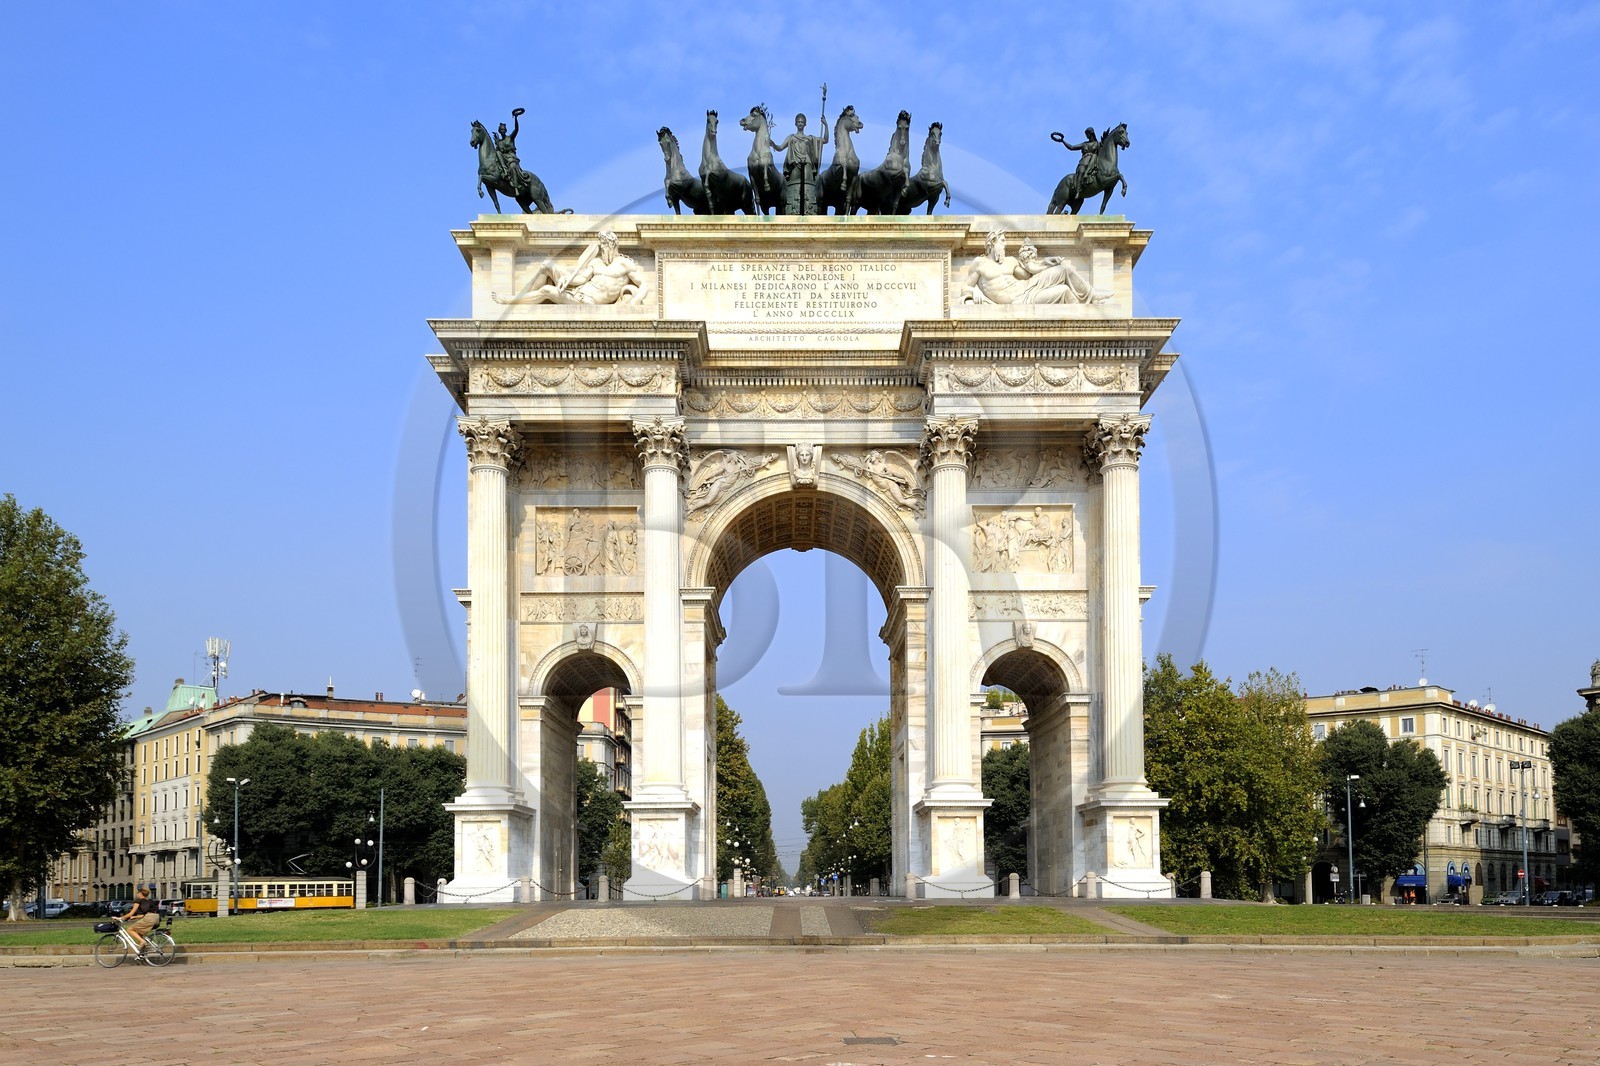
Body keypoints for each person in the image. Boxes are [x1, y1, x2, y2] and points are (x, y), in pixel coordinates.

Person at [121, 887, 160, 954]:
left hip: (149, 918)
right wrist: (135, 917)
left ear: (141, 894)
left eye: (138, 892)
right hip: (157, 918)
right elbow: (143, 915)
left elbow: (131, 913)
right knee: (139, 934)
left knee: (130, 929)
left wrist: (120, 918)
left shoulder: (139, 901)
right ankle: (142, 953)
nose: (137, 894)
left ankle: (142, 942)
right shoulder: (149, 901)